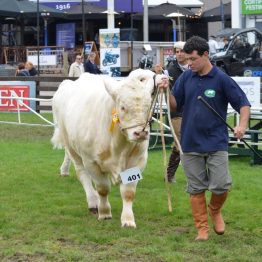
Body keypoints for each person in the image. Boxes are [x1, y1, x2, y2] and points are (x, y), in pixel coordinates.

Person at [167, 36, 250, 241]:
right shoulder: (186, 77)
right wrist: (164, 89)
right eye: (186, 60)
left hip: (216, 142)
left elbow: (243, 104)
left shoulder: (221, 79)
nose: (189, 64)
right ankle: (202, 229)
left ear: (205, 55)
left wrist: (241, 125)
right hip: (190, 142)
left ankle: (215, 210)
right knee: (195, 189)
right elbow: (174, 105)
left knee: (221, 185)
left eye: (193, 59)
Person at [166, 41, 188, 183]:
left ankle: (169, 174)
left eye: (181, 51)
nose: (179, 54)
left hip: (193, 111)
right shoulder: (170, 70)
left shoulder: (194, 68)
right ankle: (193, 176)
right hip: (176, 111)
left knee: (180, 143)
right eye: (176, 51)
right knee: (181, 142)